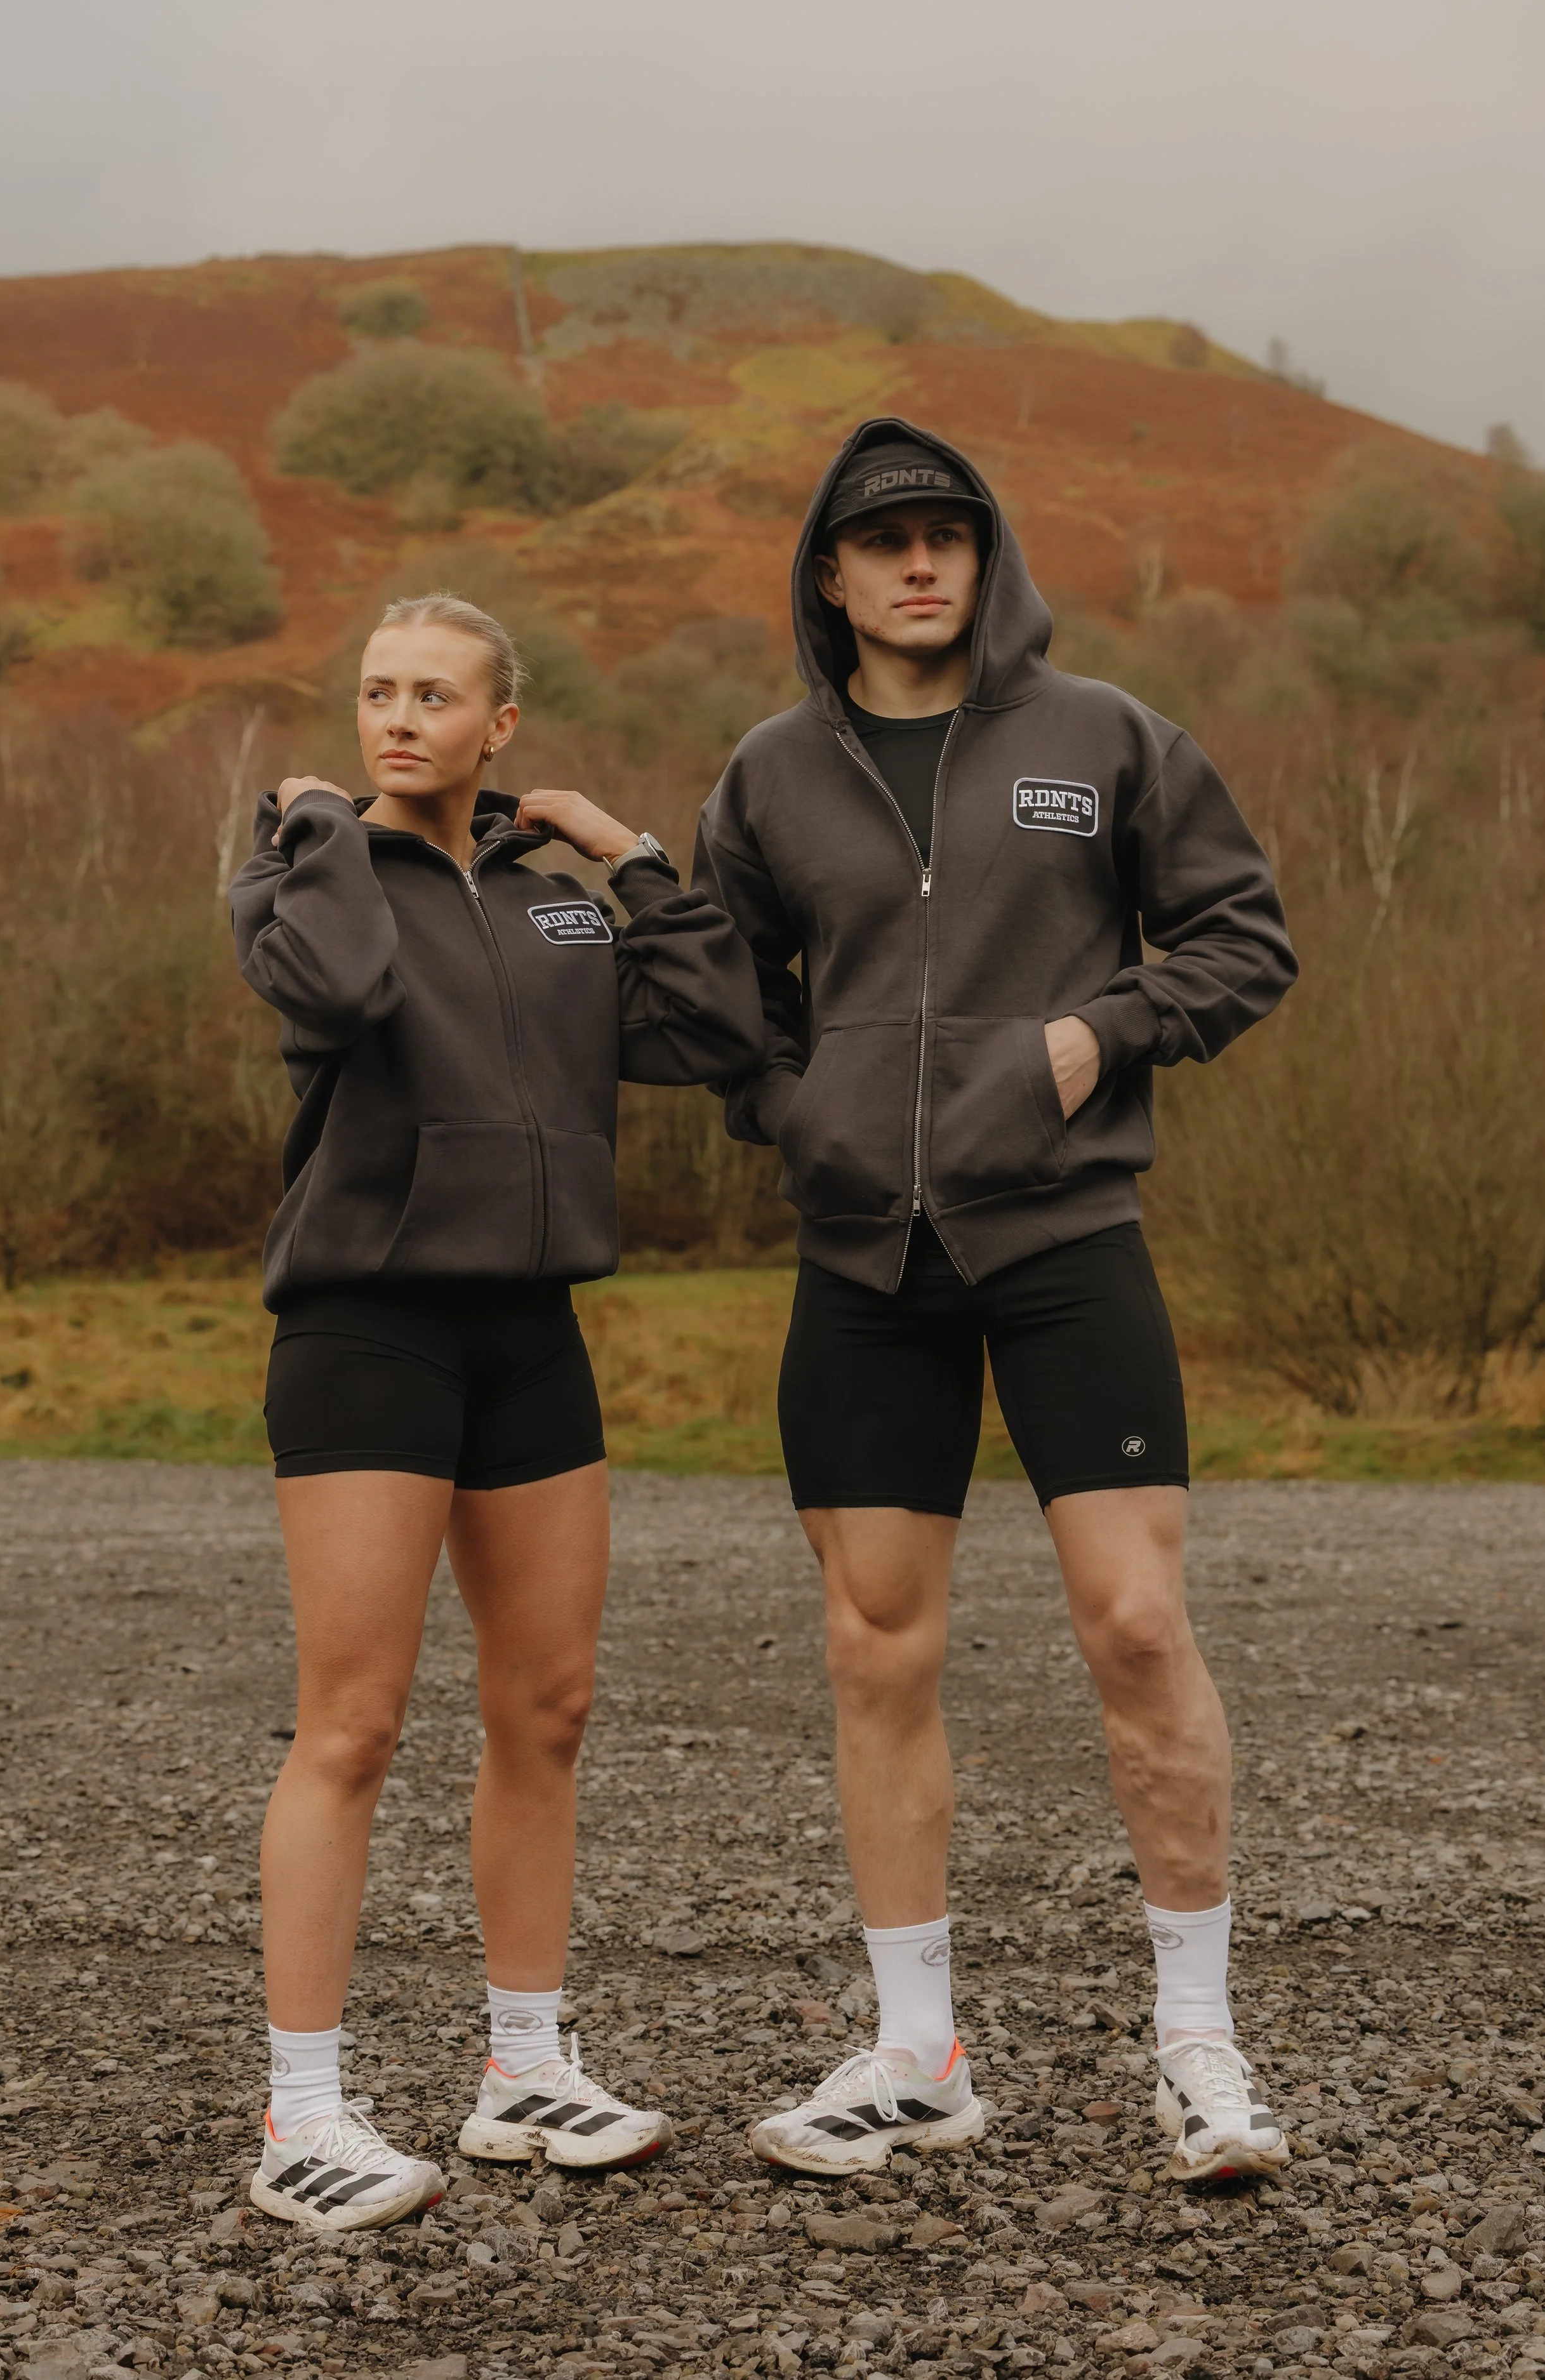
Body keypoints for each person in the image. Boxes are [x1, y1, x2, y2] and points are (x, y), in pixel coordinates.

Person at [693, 421, 1299, 2183]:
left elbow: (1239, 935)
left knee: (1130, 1620)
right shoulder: (772, 771)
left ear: (984, 554)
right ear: (828, 572)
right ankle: (914, 2049)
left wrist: (1100, 1031)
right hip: (863, 1261)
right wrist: (794, 1107)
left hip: (1058, 1242)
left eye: (947, 533)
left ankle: (1199, 2046)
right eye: (880, 541)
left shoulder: (1102, 737)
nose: (918, 563)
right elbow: (733, 1002)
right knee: (875, 1645)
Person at [229, 590, 762, 2230]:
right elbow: (334, 994)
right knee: (354, 1721)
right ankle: (301, 2111)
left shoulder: (560, 916)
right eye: (378, 689)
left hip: (530, 1332)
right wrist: (317, 829)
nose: (397, 717)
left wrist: (635, 864)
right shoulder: (305, 870)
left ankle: (524, 2070)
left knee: (548, 1706)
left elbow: (723, 1028)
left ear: (499, 726)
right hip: (368, 1326)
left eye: (436, 694)